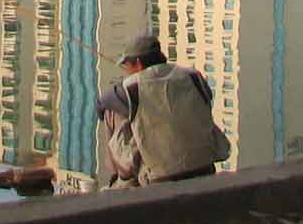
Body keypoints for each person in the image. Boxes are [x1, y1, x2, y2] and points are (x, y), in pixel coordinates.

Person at [97, 32, 229, 186]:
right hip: (205, 168)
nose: (127, 69)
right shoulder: (193, 76)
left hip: (160, 179)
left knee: (113, 112)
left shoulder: (129, 88)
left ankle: (121, 177)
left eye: (127, 65)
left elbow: (102, 103)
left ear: (138, 62)